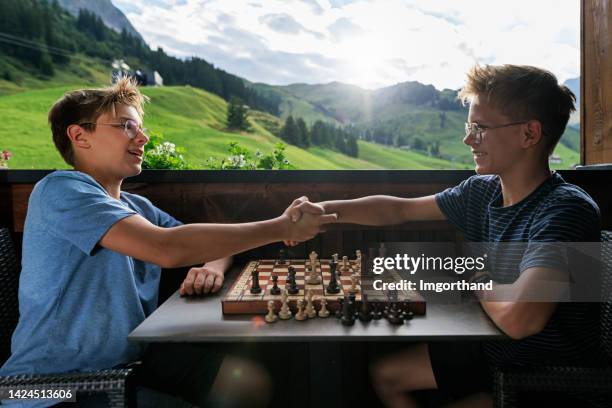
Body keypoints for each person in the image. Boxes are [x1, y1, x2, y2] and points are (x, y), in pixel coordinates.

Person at [0, 77, 336, 407]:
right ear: (79, 136)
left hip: (131, 359)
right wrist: (281, 227)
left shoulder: (136, 207)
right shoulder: (61, 191)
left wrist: (212, 265)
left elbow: (199, 242)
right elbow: (167, 248)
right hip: (47, 386)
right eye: (126, 126)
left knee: (248, 383)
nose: (143, 137)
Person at [288, 64, 602, 407]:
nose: (468, 139)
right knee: (385, 371)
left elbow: (520, 320)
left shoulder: (565, 210)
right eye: (470, 127)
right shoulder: (483, 192)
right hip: (492, 347)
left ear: (529, 134)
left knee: (390, 374)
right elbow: (398, 209)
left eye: (480, 128)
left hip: (540, 378)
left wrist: (475, 275)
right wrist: (322, 211)